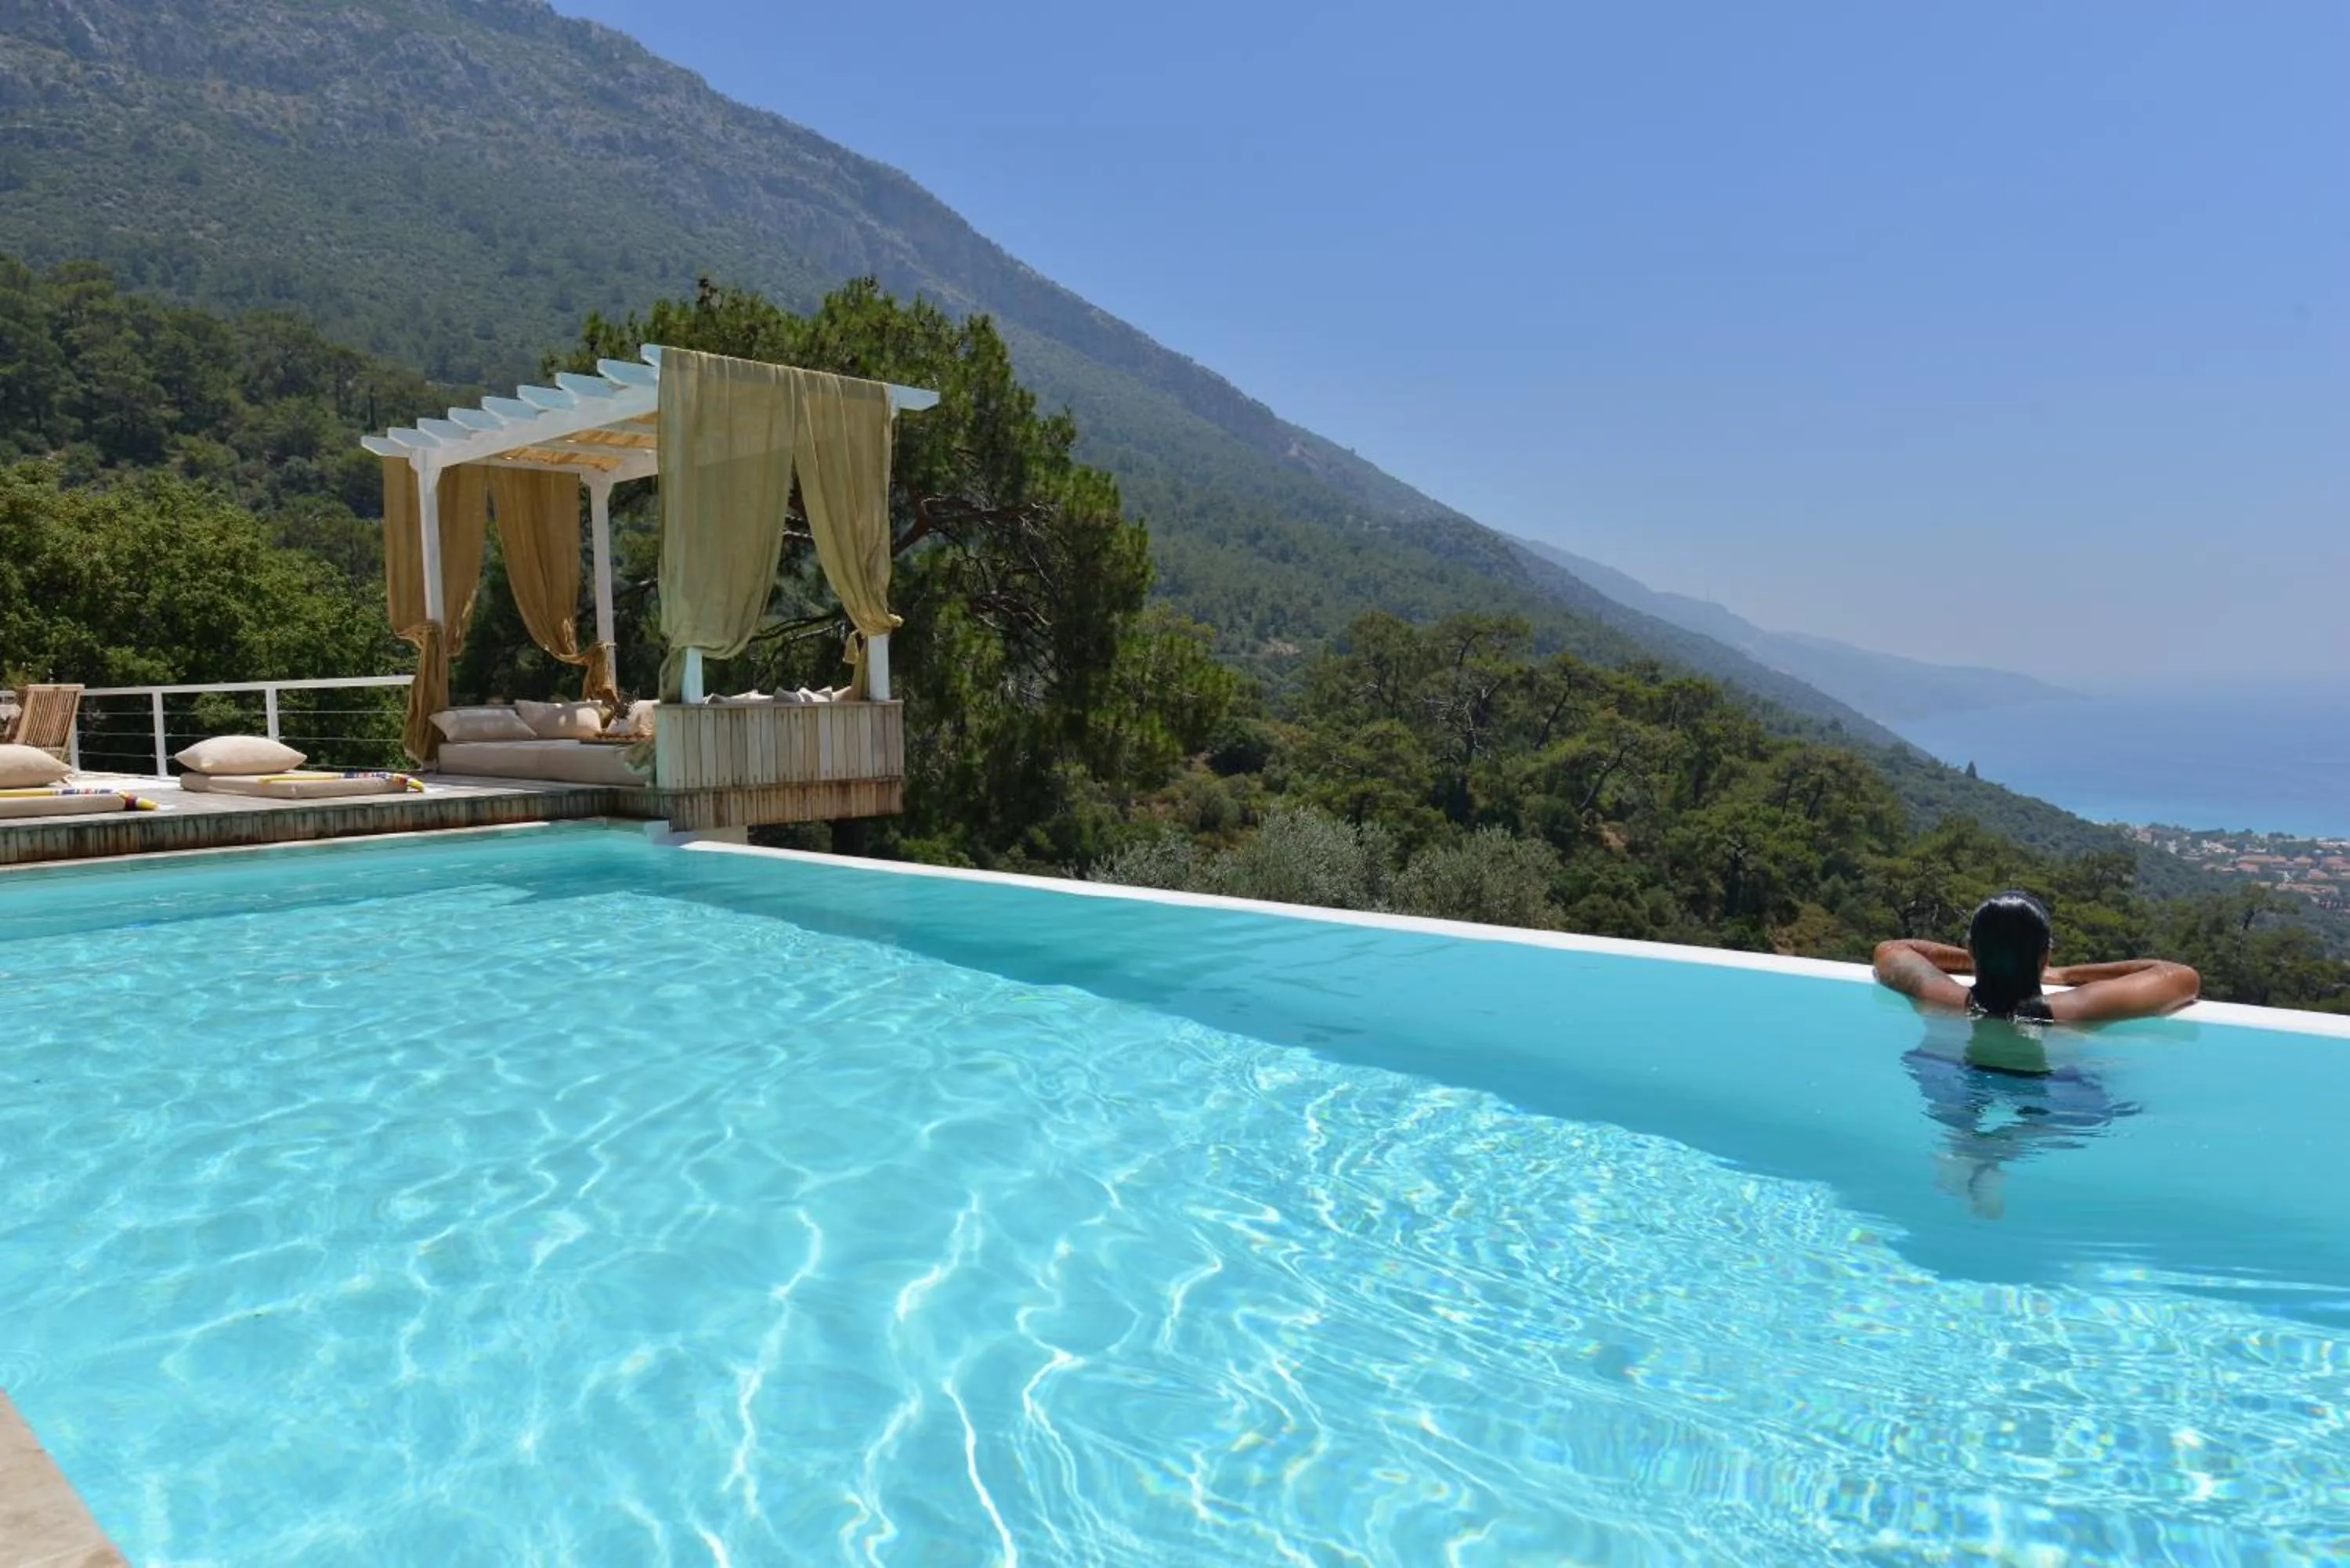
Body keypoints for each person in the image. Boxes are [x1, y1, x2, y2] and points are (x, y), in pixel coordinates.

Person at [1872, 890, 2200, 1024]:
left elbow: (1892, 950)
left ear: (1972, 952)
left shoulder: (1941, 996)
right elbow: (2181, 976)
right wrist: (2066, 973)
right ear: (2045, 957)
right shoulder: (2076, 1010)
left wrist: (1982, 956)